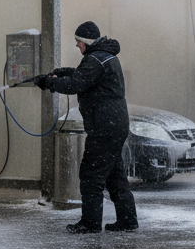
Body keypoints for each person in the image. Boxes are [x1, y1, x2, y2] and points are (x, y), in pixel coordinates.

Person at [32, 21, 138, 234]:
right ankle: (127, 220)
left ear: (87, 42)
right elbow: (84, 76)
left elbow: (76, 84)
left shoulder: (95, 59)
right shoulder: (103, 56)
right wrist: (61, 72)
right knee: (114, 175)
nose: (78, 46)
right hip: (114, 124)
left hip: (104, 127)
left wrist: (49, 82)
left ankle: (90, 223)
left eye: (79, 42)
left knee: (91, 175)